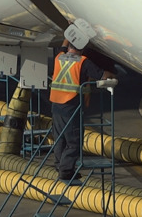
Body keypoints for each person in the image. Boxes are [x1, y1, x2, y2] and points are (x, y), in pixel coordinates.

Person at [49, 39, 115, 181]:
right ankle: (66, 171)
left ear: (70, 46)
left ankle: (59, 165)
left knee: (60, 138)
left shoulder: (59, 56)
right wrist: (114, 76)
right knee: (74, 141)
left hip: (56, 104)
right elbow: (102, 75)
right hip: (70, 106)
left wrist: (70, 30)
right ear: (82, 49)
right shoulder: (83, 61)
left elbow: (63, 45)